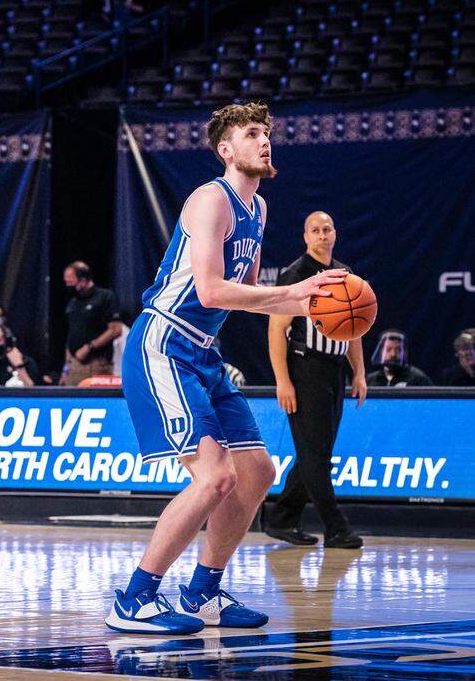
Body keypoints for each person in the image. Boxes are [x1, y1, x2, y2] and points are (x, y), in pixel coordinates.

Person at [109, 102, 348, 635]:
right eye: (251, 134)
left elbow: (248, 301)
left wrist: (311, 306)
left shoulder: (257, 209)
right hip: (164, 343)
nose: (265, 142)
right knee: (216, 478)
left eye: (267, 133)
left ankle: (202, 593)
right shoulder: (209, 201)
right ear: (225, 149)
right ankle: (134, 597)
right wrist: (291, 290)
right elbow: (213, 290)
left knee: (258, 472)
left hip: (204, 351)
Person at [263, 211, 368, 550]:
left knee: (315, 453)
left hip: (334, 370)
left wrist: (360, 372)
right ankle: (336, 528)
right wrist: (283, 382)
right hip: (304, 369)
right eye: (316, 230)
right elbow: (277, 331)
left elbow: (355, 329)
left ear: (335, 233)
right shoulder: (295, 276)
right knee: (317, 454)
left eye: (328, 229)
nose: (322, 235)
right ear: (305, 236)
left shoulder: (344, 275)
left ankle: (281, 518)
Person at [61, 262, 123, 385]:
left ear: (83, 280)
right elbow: (71, 334)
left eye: (70, 282)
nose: (67, 285)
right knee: (70, 401)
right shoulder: (73, 302)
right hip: (74, 365)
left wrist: (89, 347)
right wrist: (65, 370)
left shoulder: (105, 297)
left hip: (96, 364)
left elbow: (116, 329)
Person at [366, 329, 433, 387]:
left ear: (405, 353)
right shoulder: (370, 380)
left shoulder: (418, 379)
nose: (393, 354)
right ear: (381, 352)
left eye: (398, 350)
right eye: (388, 349)